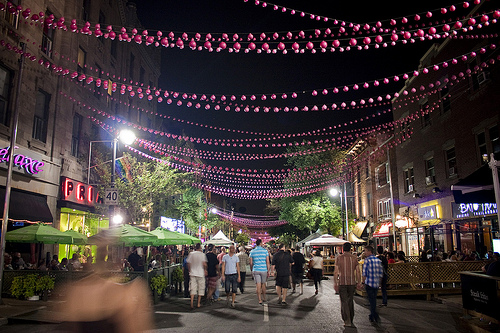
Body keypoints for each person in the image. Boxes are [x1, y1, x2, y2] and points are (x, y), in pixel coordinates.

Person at [334, 242, 361, 328]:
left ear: (343, 249)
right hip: (352, 282)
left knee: (344, 301)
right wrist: (359, 282)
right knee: (350, 300)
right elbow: (358, 271)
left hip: (342, 282)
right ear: (350, 249)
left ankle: (347, 320)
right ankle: (351, 318)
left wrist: (335, 282)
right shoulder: (354, 258)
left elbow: (336, 271)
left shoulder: (339, 258)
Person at [362, 245, 384, 324]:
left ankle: (374, 315)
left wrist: (363, 282)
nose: (364, 253)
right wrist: (379, 283)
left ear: (369, 251)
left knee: (371, 300)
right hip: (376, 283)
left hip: (369, 283)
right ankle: (372, 315)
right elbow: (381, 273)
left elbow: (364, 273)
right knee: (373, 299)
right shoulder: (378, 260)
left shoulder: (367, 261)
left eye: (365, 251)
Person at [249, 238, 271, 305]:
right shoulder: (265, 251)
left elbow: (251, 263)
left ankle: (259, 299)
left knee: (258, 285)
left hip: (256, 269)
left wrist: (251, 269)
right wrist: (268, 270)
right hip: (264, 269)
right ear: (261, 243)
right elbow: (268, 262)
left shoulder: (252, 251)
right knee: (263, 284)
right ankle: (264, 297)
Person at [186, 243, 207, 309]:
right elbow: (204, 264)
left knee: (193, 288)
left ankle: (191, 303)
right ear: (200, 247)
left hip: (192, 273)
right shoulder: (202, 255)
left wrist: (189, 270)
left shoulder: (191, 254)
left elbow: (188, 263)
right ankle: (198, 303)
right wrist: (205, 270)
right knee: (200, 288)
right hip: (200, 273)